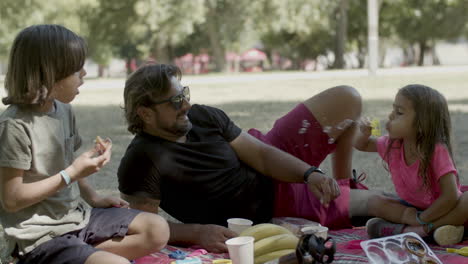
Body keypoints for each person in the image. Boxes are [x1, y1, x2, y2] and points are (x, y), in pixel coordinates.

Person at [118, 63, 368, 253]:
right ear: (145, 114)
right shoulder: (140, 161)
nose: (185, 104)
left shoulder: (202, 116)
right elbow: (144, 224)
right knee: (375, 203)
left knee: (347, 97)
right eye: (175, 100)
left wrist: (309, 173)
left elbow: (261, 154)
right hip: (274, 203)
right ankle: (345, 198)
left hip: (272, 156)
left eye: (184, 93)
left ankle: (344, 182)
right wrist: (196, 233)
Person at [0, 25, 169, 264]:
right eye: (77, 70)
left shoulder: (64, 111)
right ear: (51, 75)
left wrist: (94, 196)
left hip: (77, 218)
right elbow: (12, 199)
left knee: (157, 229)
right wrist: (71, 173)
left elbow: (68, 162)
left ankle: (81, 254)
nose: (84, 74)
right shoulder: (14, 126)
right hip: (40, 238)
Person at [355, 84, 468, 246]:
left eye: (399, 112)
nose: (391, 116)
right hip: (412, 210)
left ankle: (420, 231)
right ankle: (431, 232)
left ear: (422, 124)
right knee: (374, 202)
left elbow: (450, 196)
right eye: (393, 110)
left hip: (445, 209)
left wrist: (424, 220)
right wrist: (363, 135)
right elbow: (362, 145)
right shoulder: (392, 144)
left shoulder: (436, 151)